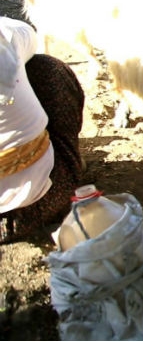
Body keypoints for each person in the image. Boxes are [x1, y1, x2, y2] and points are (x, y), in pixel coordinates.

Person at [0, 17, 85, 244]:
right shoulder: (4, 38)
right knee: (48, 68)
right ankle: (63, 177)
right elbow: (28, 34)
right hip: (38, 203)